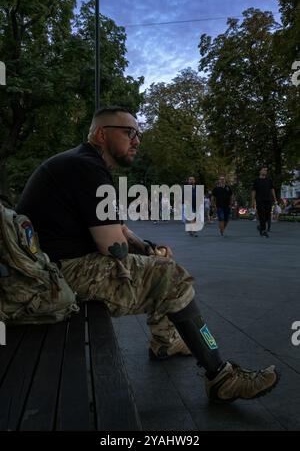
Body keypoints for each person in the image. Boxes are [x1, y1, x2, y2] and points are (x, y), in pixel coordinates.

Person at [17, 106, 279, 402]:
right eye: (129, 132)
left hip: (51, 268)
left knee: (158, 264)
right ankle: (221, 378)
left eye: (138, 133)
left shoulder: (83, 163)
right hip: (57, 277)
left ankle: (164, 341)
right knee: (172, 276)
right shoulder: (87, 168)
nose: (137, 140)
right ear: (102, 134)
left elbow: (119, 228)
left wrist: (147, 248)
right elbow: (113, 247)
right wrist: (148, 257)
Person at [252, 166, 277, 238]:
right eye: (264, 170)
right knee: (262, 215)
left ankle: (260, 226)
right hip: (259, 201)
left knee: (267, 215)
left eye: (266, 170)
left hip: (268, 200)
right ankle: (263, 231)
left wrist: (275, 199)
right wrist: (253, 201)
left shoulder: (269, 180)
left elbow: (272, 189)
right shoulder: (256, 181)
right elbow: (253, 191)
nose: (265, 171)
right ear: (260, 171)